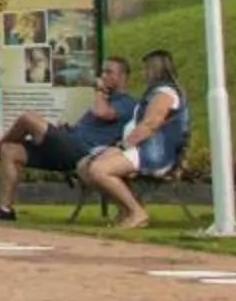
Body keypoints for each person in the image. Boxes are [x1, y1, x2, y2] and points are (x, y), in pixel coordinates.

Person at [0, 55, 138, 221]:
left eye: (109, 72)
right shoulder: (105, 100)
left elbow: (102, 113)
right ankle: (5, 209)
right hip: (67, 144)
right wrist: (68, 128)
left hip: (82, 152)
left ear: (123, 76)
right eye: (102, 71)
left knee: (28, 119)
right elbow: (91, 124)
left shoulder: (127, 102)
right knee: (9, 150)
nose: (103, 76)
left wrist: (100, 91)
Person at [80, 48, 189, 228]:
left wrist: (122, 147)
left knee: (99, 170)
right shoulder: (155, 92)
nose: (144, 73)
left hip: (154, 153)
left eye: (147, 69)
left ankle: (137, 212)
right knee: (86, 166)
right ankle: (127, 208)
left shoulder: (165, 93)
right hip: (140, 148)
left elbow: (150, 124)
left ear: (155, 70)